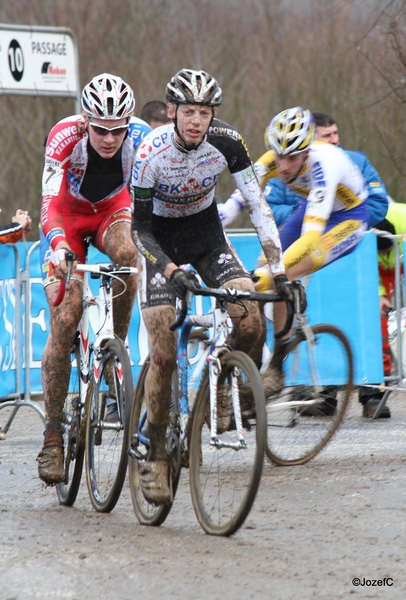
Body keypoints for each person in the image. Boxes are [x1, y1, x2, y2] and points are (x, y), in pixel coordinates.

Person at [131, 68, 294, 505]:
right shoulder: (150, 153)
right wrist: (166, 269)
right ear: (172, 112)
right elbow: (139, 231)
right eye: (188, 112)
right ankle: (156, 445)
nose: (196, 120)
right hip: (160, 242)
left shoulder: (228, 142)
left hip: (206, 238)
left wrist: (279, 271)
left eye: (204, 112)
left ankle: (225, 391)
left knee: (250, 318)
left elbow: (258, 206)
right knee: (163, 347)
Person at [37, 73, 151, 485]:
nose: (108, 138)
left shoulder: (140, 138)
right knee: (66, 320)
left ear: (128, 123)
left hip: (109, 211)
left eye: (117, 129)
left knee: (128, 253)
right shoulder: (64, 136)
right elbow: (48, 203)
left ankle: (115, 348)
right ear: (86, 121)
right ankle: (52, 434)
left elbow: (151, 200)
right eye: (101, 129)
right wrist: (57, 245)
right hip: (65, 221)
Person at [218, 111, 388, 230]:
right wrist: (304, 212)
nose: (335, 140)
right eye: (327, 136)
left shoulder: (357, 160)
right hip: (302, 235)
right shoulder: (284, 166)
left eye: (335, 133)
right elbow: (270, 208)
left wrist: (334, 217)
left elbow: (378, 203)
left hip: (345, 237)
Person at [358, 202, 406, 418]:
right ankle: (373, 393)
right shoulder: (361, 233)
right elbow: (366, 269)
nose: (385, 252)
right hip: (373, 269)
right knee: (374, 324)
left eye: (386, 249)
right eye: (382, 251)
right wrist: (379, 295)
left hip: (401, 256)